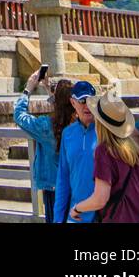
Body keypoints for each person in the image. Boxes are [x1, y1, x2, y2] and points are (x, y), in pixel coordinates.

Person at [70, 95, 139, 223]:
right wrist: (137, 202)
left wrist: (77, 208)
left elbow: (100, 199)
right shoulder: (136, 148)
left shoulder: (103, 152)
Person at [13, 69, 74, 223]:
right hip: (76, 186)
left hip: (53, 188)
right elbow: (64, 106)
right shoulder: (78, 125)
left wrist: (28, 89)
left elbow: (19, 115)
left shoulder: (46, 126)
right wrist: (49, 90)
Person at [53, 80, 98, 224]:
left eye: (91, 100)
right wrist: (58, 219)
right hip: (76, 215)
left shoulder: (106, 132)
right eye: (82, 101)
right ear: (73, 103)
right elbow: (63, 179)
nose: (87, 105)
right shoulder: (68, 134)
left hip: (104, 214)